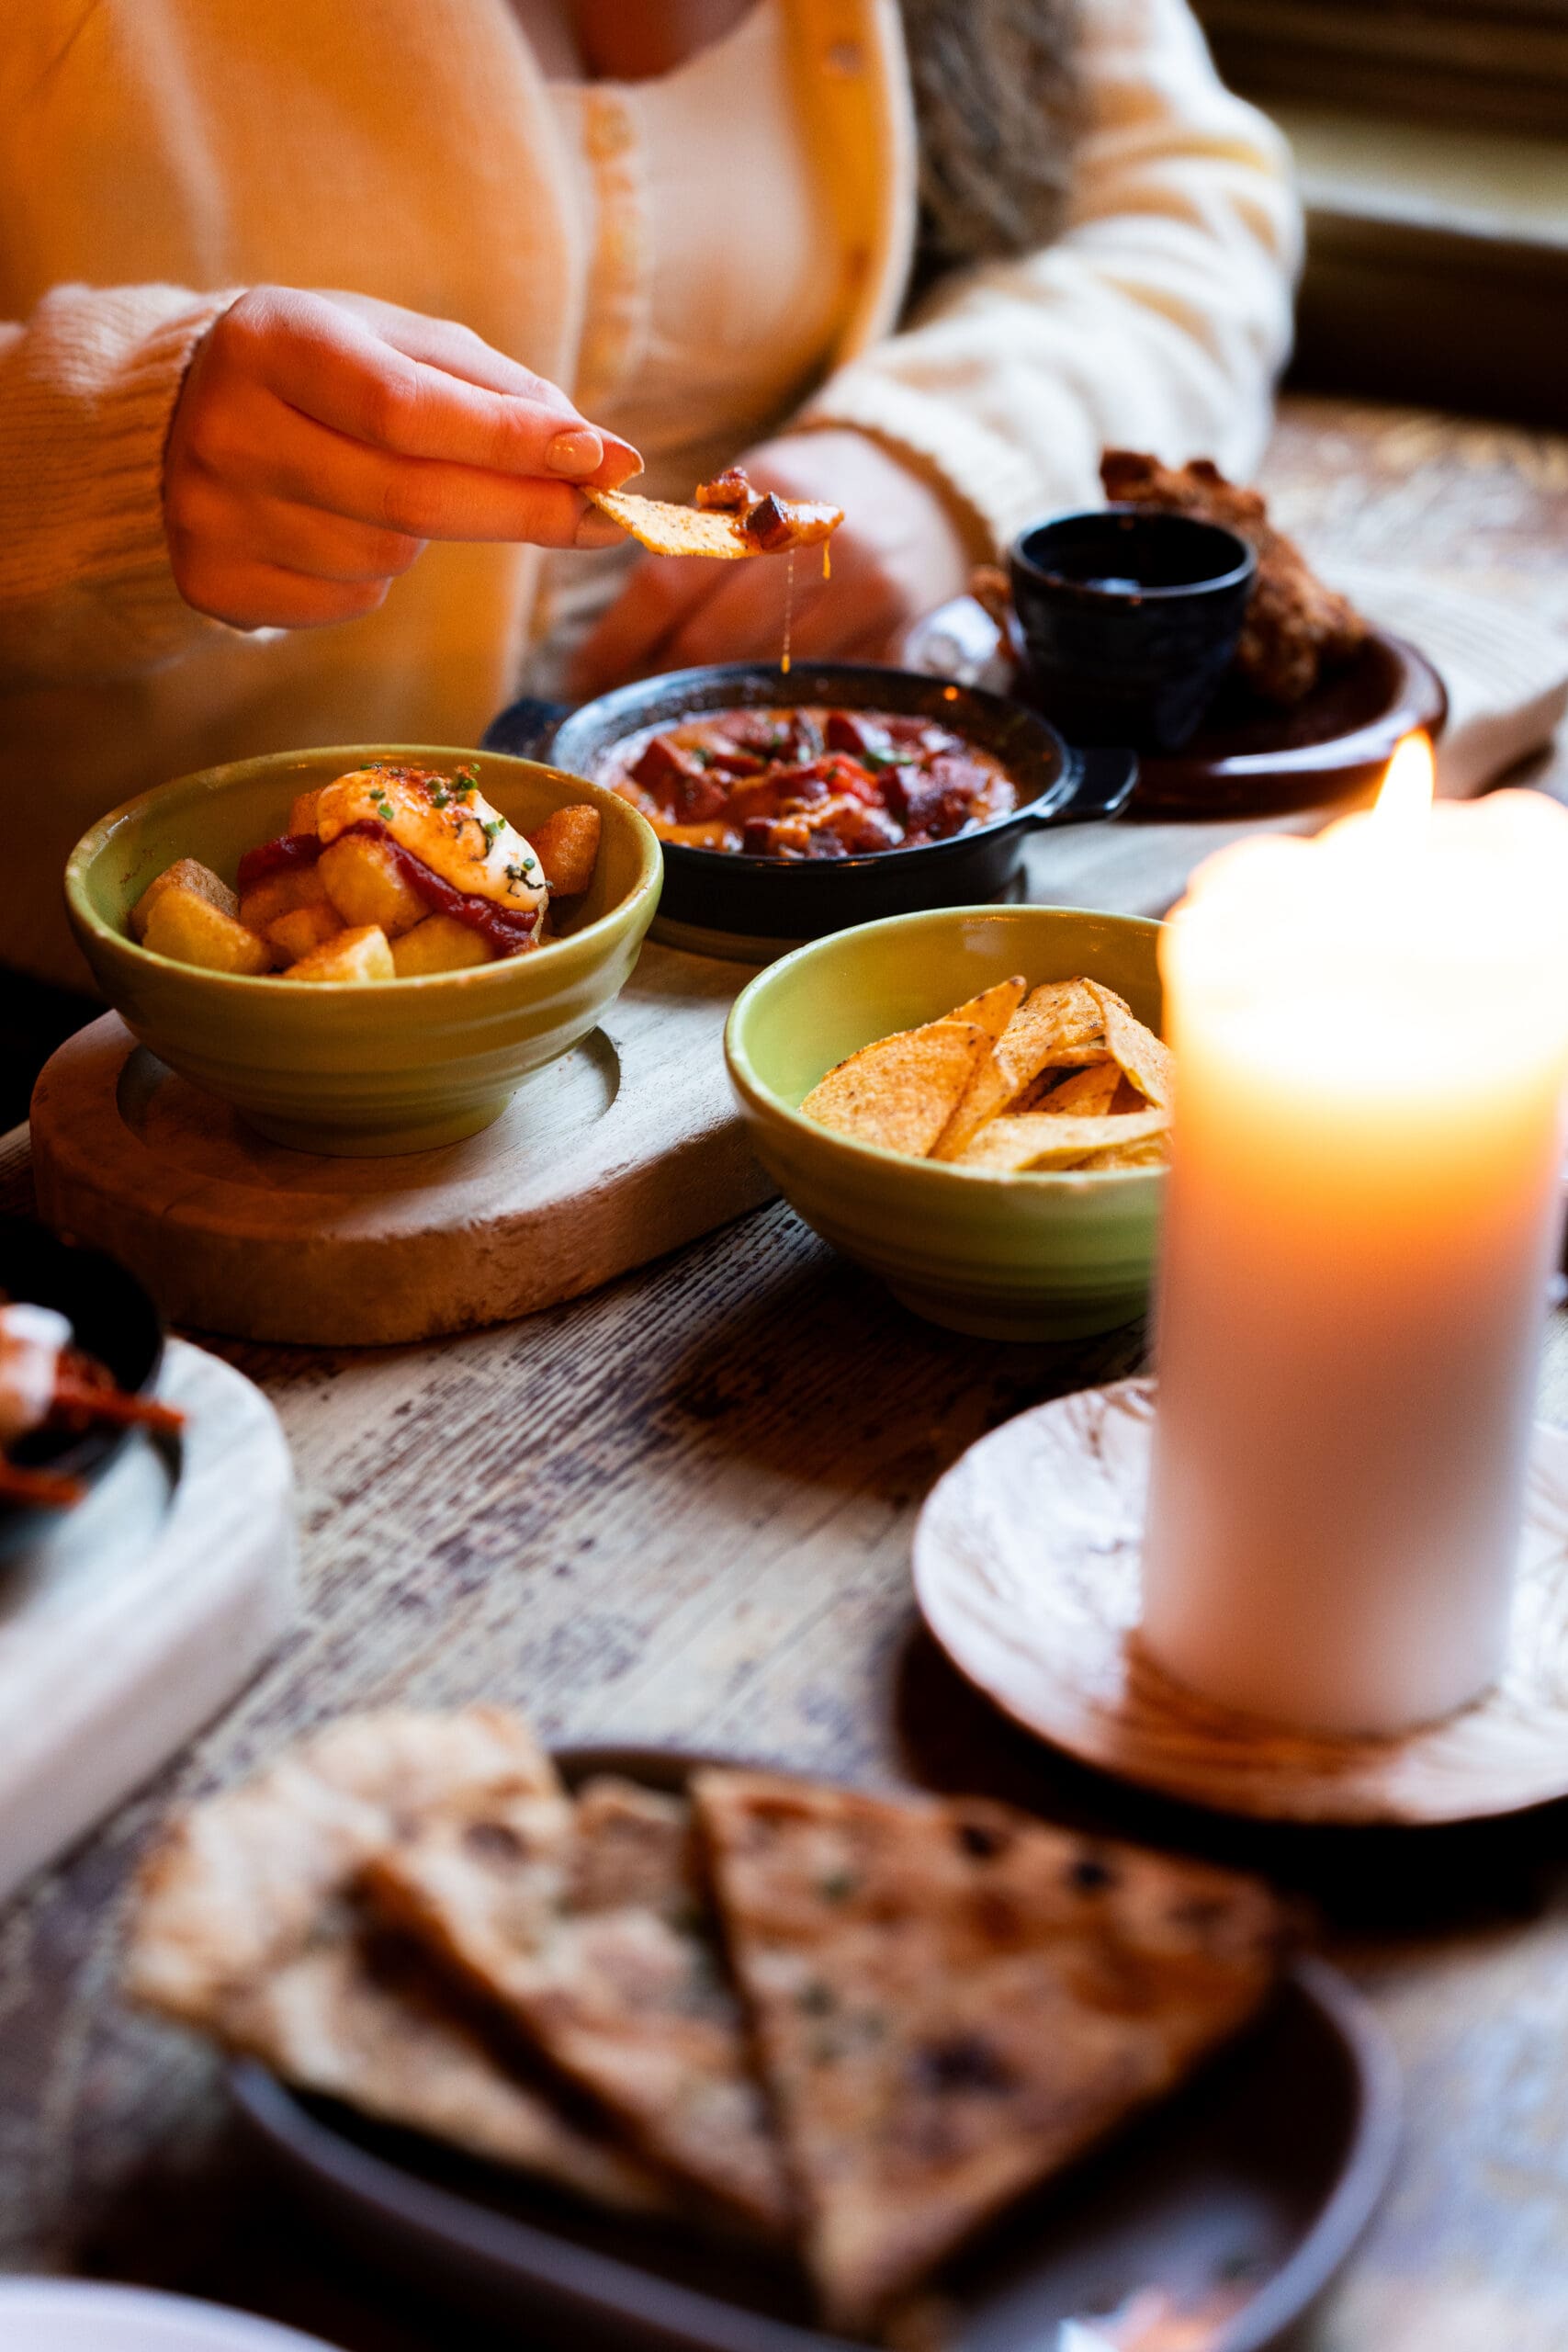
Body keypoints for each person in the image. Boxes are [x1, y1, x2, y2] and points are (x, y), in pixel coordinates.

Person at [0, 0, 1298, 1000]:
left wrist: (929, 450)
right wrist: (98, 443)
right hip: (116, 1007)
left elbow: (1186, 205)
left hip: (747, 966)